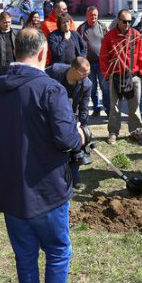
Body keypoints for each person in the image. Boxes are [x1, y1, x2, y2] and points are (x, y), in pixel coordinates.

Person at [0, 28, 85, 283]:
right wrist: (82, 134)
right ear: (43, 53)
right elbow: (67, 139)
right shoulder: (50, 89)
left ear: (16, 50)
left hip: (12, 189)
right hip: (47, 191)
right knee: (56, 252)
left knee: (25, 257)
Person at [100, 9, 142, 144]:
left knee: (134, 108)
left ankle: (136, 131)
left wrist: (141, 73)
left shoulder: (136, 35)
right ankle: (113, 132)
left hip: (132, 76)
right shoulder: (109, 36)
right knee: (114, 108)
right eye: (124, 21)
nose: (127, 24)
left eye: (129, 21)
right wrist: (107, 74)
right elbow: (103, 57)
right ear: (118, 21)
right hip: (115, 76)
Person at [46, 57, 92, 191]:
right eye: (83, 73)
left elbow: (84, 108)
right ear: (73, 69)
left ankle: (74, 178)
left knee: (75, 146)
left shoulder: (86, 84)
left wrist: (82, 128)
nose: (86, 76)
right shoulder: (54, 72)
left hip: (70, 116)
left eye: (88, 73)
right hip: (49, 114)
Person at [77, 6, 109, 117]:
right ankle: (96, 107)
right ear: (87, 15)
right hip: (88, 64)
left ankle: (108, 109)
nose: (93, 17)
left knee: (105, 87)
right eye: (91, 15)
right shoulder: (81, 28)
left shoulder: (102, 27)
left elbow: (108, 43)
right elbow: (78, 46)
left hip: (102, 63)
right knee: (92, 88)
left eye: (95, 15)